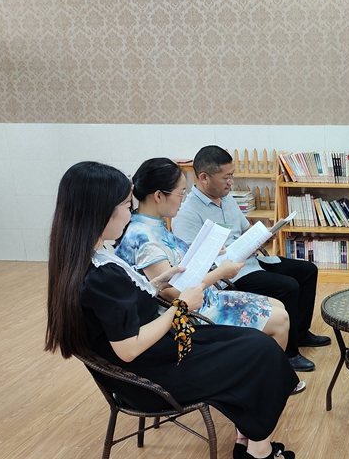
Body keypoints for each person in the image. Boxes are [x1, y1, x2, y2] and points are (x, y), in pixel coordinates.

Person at [45, 161, 298, 459]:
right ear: (101, 213)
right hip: (150, 377)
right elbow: (129, 348)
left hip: (155, 355)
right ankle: (258, 449)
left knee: (254, 345)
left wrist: (154, 285)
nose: (129, 213)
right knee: (260, 351)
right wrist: (180, 306)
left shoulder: (85, 261)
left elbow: (119, 310)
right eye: (125, 206)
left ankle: (250, 439)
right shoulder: (101, 276)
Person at [115, 158, 305, 396]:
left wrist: (209, 253)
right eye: (181, 193)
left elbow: (178, 269)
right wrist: (220, 272)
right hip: (189, 314)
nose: (183, 199)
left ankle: (264, 378)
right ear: (159, 196)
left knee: (279, 305)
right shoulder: (144, 238)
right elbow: (176, 294)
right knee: (280, 319)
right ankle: (260, 387)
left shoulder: (151, 225)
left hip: (202, 298)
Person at [172, 146, 330, 372]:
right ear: (204, 177)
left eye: (232, 175)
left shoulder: (226, 198)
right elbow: (194, 261)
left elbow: (245, 231)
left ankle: (300, 332)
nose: (231, 182)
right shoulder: (187, 214)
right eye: (226, 177)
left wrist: (263, 236)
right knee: (287, 286)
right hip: (227, 273)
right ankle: (288, 353)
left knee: (307, 270)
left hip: (250, 260)